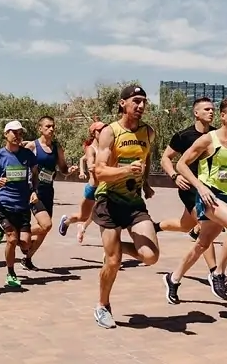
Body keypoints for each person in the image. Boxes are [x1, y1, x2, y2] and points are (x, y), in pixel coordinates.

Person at [163, 97, 227, 303]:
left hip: (226, 197)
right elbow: (181, 164)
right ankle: (217, 274)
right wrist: (200, 187)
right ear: (223, 116)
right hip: (208, 196)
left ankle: (173, 278)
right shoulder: (208, 140)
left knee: (202, 244)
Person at [92, 85, 160, 329]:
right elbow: (99, 172)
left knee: (150, 256)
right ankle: (102, 306)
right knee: (113, 263)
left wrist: (146, 182)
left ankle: (114, 248)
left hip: (133, 202)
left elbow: (146, 156)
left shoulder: (148, 132)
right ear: (123, 103)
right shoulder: (110, 132)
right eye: (136, 101)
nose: (141, 106)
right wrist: (126, 171)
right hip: (108, 200)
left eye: (144, 101)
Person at [154, 97, 227, 291]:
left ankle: (156, 226)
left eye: (212, 109)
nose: (211, 112)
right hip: (189, 188)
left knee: (185, 225)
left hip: (211, 189)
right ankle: (215, 272)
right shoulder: (183, 136)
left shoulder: (217, 135)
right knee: (204, 227)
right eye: (206, 109)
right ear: (196, 113)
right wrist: (174, 176)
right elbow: (165, 158)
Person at [0, 120, 40, 288]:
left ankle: (5, 232)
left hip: (23, 205)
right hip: (4, 204)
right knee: (12, 239)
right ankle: (11, 273)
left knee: (25, 243)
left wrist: (34, 190)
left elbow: (35, 174)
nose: (18, 136)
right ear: (5, 134)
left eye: (20, 133)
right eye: (14, 132)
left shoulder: (27, 155)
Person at [16, 116, 78, 269]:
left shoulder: (57, 148)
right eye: (48, 126)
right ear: (40, 128)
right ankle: (17, 234)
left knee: (44, 229)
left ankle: (27, 258)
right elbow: (19, 165)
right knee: (47, 225)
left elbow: (63, 169)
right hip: (34, 192)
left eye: (53, 127)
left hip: (48, 191)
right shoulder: (32, 146)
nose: (51, 129)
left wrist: (70, 170)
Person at [58, 121, 106, 243]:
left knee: (105, 216)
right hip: (93, 188)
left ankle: (108, 249)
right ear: (93, 133)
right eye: (100, 130)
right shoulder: (91, 149)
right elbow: (90, 164)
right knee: (83, 216)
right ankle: (66, 221)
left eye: (104, 130)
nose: (103, 132)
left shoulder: (106, 148)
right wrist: (85, 170)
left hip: (105, 188)